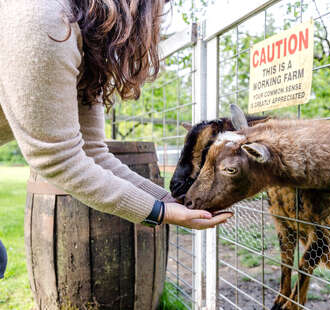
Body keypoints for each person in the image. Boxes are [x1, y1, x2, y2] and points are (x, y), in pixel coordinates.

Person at [0, 0, 232, 246]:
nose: (158, 23)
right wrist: (160, 213)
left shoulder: (86, 40)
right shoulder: (44, 18)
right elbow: (59, 158)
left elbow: (93, 152)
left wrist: (165, 200)